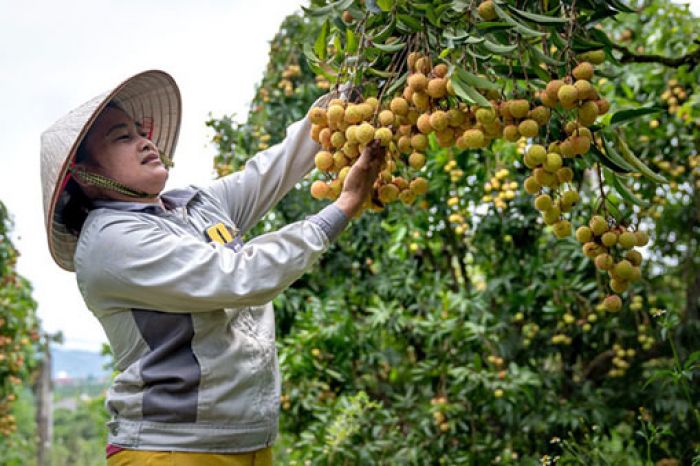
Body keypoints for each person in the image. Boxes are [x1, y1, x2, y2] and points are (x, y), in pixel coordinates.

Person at [40, 70, 384, 465]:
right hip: (170, 451)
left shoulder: (194, 206)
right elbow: (242, 276)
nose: (145, 142)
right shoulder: (111, 242)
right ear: (83, 174)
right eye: (122, 137)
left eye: (140, 131)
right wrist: (342, 207)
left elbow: (274, 169)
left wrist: (354, 85)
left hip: (247, 442)